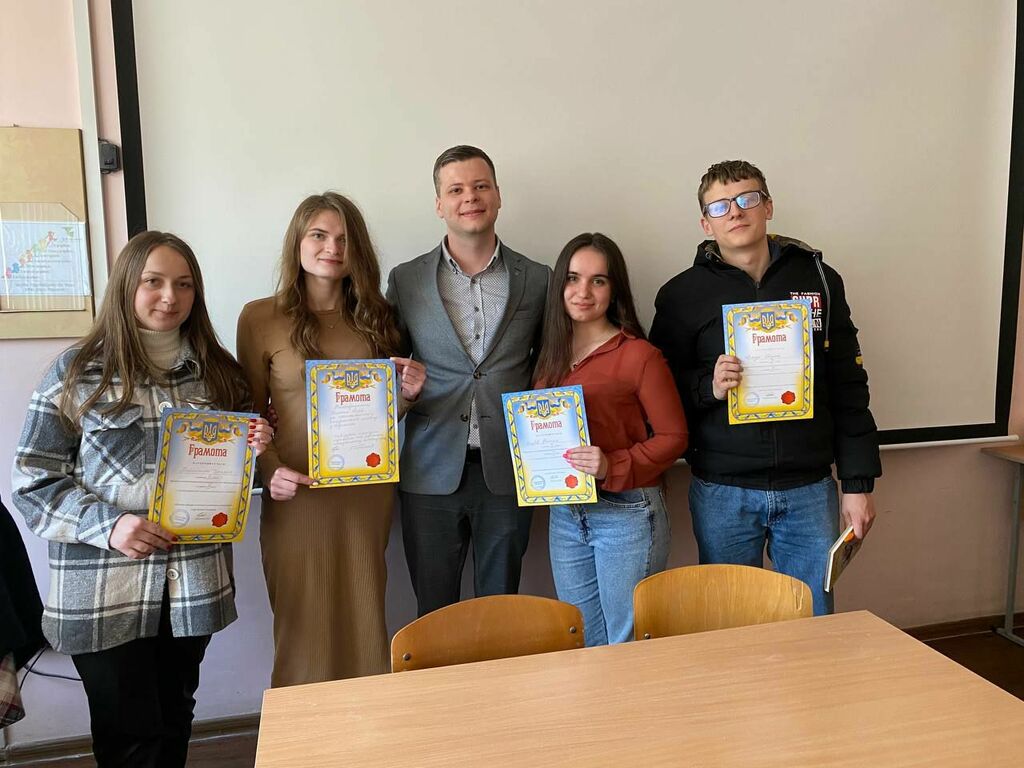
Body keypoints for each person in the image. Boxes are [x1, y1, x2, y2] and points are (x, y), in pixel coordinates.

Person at [11, 231, 273, 767]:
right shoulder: (76, 372)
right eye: (153, 282)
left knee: (175, 717)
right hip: (102, 588)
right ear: (127, 285)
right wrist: (108, 526)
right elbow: (33, 481)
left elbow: (233, 488)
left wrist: (252, 453)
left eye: (184, 284)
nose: (169, 297)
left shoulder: (220, 374)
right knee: (127, 732)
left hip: (190, 583)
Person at [650, 160, 881, 616]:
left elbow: (848, 385)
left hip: (809, 487)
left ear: (768, 207)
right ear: (706, 223)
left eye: (747, 199)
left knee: (812, 619)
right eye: (720, 206)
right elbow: (658, 391)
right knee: (733, 623)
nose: (735, 212)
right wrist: (708, 386)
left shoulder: (818, 280)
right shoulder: (681, 294)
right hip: (723, 490)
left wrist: (857, 483)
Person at [237, 192, 425, 686]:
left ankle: (367, 731)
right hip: (294, 496)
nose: (332, 248)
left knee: (365, 622)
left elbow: (381, 413)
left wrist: (407, 397)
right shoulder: (259, 318)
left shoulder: (380, 317)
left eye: (344, 239)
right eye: (319, 235)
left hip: (365, 493)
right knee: (300, 630)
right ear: (297, 242)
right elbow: (248, 417)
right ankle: (301, 732)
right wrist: (269, 472)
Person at [386, 145, 549, 617]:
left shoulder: (538, 278)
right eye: (456, 189)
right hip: (428, 469)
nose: (470, 197)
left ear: (497, 195)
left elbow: (551, 364)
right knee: (434, 612)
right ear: (440, 204)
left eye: (480, 186)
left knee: (500, 609)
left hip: (509, 471)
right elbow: (386, 370)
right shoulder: (406, 280)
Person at [534, 233, 688, 645]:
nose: (583, 292)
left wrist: (612, 464)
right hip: (566, 515)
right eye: (573, 278)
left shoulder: (639, 356)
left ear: (614, 289)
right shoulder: (547, 355)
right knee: (583, 640)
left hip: (627, 514)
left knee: (626, 643)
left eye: (598, 281)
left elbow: (674, 437)